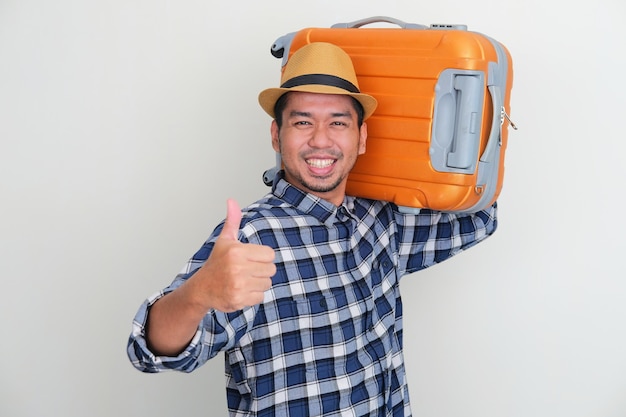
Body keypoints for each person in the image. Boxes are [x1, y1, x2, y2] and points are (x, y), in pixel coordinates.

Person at [127, 42, 497, 417]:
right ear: (276, 135)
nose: (321, 139)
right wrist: (198, 293)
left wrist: (481, 118)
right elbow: (150, 352)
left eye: (338, 122)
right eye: (302, 121)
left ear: (362, 137)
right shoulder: (251, 238)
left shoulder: (383, 223)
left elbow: (479, 218)